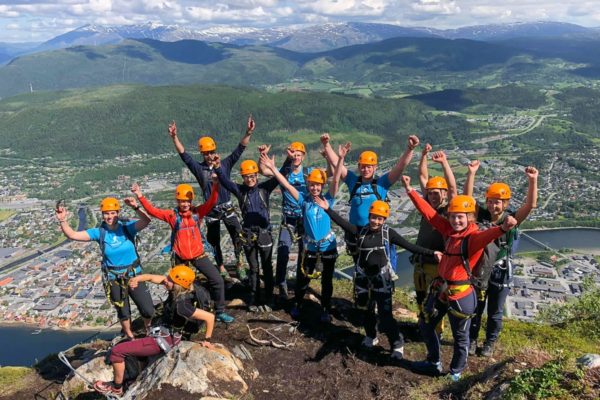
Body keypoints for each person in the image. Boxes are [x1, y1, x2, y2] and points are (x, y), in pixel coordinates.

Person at [402, 175, 517, 381]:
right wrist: (411, 191)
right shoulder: (449, 230)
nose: (456, 220)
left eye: (461, 217)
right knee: (426, 323)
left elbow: (489, 235)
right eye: (453, 216)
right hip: (442, 289)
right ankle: (433, 362)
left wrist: (503, 228)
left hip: (461, 294)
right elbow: (429, 214)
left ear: (470, 217)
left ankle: (455, 372)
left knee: (460, 336)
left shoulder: (472, 238)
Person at [93, 265, 215, 397]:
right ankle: (133, 377)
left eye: (169, 279)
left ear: (178, 284)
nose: (165, 280)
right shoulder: (178, 290)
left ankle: (116, 388)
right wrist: (137, 279)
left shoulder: (183, 306)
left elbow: (210, 317)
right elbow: (152, 277)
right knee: (134, 351)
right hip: (162, 333)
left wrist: (207, 340)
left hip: (164, 340)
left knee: (117, 351)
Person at [132, 180, 235, 324]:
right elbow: (153, 211)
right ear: (177, 201)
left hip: (198, 255)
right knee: (176, 286)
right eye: (182, 201)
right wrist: (139, 195)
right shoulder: (172, 216)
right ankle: (176, 311)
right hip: (181, 257)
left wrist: (216, 185)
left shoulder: (197, 212)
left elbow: (212, 202)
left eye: (187, 201)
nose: (185, 204)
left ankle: (220, 311)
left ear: (191, 200)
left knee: (217, 280)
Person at [464, 162, 539, 357]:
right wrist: (471, 173)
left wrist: (533, 180)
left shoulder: (511, 219)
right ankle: (472, 340)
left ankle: (489, 343)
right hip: (481, 269)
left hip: (500, 270)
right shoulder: (481, 215)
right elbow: (467, 198)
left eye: (497, 202)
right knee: (476, 308)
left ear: (505, 204)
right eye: (490, 201)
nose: (493, 205)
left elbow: (530, 205)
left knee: (495, 311)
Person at [260, 146, 341, 322]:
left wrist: (338, 157)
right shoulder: (304, 200)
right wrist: (274, 168)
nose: (314, 188)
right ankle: (297, 302)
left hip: (327, 246)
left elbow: (334, 181)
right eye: (311, 185)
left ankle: (325, 308)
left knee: (326, 281)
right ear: (308, 185)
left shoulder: (328, 200)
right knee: (304, 277)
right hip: (310, 244)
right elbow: (286, 185)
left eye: (317, 185)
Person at [55, 197, 154, 340]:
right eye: (106, 213)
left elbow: (146, 221)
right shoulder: (99, 232)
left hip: (134, 274)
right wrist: (62, 220)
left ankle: (149, 330)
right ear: (102, 214)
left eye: (113, 213)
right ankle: (129, 335)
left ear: (118, 213)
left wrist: (135, 207)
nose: (110, 216)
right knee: (123, 311)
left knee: (147, 309)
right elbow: (72, 235)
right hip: (114, 277)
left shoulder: (127, 228)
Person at [169, 117, 255, 280]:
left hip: (227, 207)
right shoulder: (198, 168)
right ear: (202, 154)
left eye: (211, 152)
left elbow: (240, 149)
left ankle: (239, 263)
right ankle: (221, 266)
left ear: (215, 151)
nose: (209, 155)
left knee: (238, 235)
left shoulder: (224, 164)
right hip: (211, 210)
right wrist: (174, 138)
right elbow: (184, 155)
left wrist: (248, 132)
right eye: (206, 153)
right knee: (214, 241)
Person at [321, 133, 419, 263]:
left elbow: (400, 167)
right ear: (359, 167)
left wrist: (410, 149)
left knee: (378, 266)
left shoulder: (382, 183)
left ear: (375, 168)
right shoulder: (353, 181)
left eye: (369, 166)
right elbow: (335, 163)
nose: (365, 169)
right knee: (359, 267)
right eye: (363, 166)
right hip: (355, 233)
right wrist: (326, 144)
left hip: (375, 232)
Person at [214, 154, 279, 312]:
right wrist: (217, 167)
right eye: (246, 177)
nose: (250, 179)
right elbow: (226, 182)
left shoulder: (264, 188)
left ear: (257, 175)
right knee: (254, 268)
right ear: (243, 178)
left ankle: (269, 299)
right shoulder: (240, 190)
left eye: (252, 176)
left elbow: (280, 176)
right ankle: (255, 298)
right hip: (249, 235)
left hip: (264, 233)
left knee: (267, 267)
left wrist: (288, 161)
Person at [259, 142, 312, 303]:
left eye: (299, 154)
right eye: (294, 154)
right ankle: (281, 284)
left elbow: (328, 174)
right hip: (288, 218)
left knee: (305, 254)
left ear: (303, 156)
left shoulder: (308, 173)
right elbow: (264, 171)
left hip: (304, 219)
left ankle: (300, 285)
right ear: (290, 156)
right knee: (283, 251)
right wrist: (262, 156)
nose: (296, 157)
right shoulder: (285, 172)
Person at [413, 147, 457, 334]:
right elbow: (423, 177)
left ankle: (435, 330)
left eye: (438, 192)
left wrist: (444, 163)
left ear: (444, 194)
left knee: (436, 298)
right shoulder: (426, 207)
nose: (433, 195)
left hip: (437, 264)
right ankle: (423, 324)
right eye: (431, 192)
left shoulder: (448, 211)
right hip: (421, 261)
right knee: (421, 295)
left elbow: (453, 188)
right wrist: (423, 156)